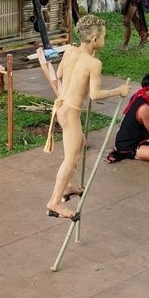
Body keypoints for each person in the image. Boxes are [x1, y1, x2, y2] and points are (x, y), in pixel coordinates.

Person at [43, 15, 130, 220]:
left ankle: (68, 187)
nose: (104, 41)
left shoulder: (71, 50)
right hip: (71, 112)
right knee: (70, 158)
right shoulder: (93, 63)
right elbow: (95, 95)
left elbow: (61, 73)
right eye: (103, 37)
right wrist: (119, 90)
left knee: (80, 143)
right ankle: (54, 202)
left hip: (62, 107)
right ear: (94, 40)